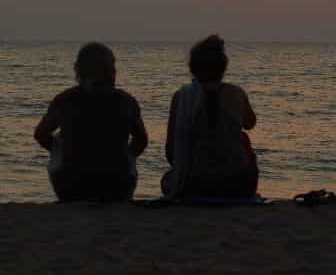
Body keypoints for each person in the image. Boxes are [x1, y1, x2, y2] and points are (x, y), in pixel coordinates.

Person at [33, 42, 148, 202]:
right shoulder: (126, 101)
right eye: (113, 66)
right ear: (109, 71)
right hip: (118, 188)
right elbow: (141, 140)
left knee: (60, 139)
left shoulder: (65, 100)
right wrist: (118, 155)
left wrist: (64, 149)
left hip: (71, 188)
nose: (115, 70)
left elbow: (40, 134)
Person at [162, 35, 258, 199]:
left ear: (192, 68)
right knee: (243, 139)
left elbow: (171, 152)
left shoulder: (182, 97)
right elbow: (250, 123)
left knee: (166, 181)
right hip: (237, 184)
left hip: (195, 184)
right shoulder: (236, 94)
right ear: (223, 67)